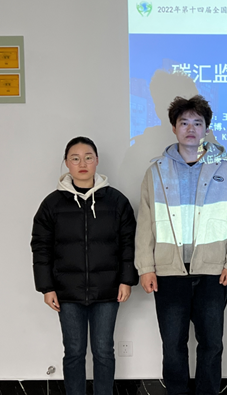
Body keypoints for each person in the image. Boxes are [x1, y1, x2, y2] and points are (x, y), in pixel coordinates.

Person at [135, 95, 227, 395]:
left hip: (213, 271)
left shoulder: (226, 169)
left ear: (206, 129)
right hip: (168, 272)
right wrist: (145, 267)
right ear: (174, 128)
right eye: (184, 122)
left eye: (197, 123)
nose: (190, 129)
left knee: (211, 343)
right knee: (173, 344)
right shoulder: (156, 171)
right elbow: (145, 224)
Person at [31, 136, 138, 395]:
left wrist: (126, 279)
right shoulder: (52, 204)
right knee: (74, 351)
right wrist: (46, 287)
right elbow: (41, 247)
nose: (82, 164)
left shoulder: (116, 202)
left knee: (104, 351)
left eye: (88, 157)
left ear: (97, 161)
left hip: (107, 290)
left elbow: (129, 243)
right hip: (67, 292)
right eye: (75, 158)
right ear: (66, 163)